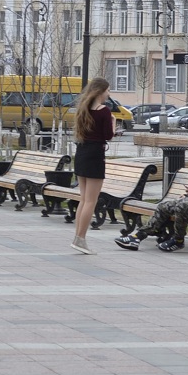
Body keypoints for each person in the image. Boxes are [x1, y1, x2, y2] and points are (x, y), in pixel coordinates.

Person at [70, 77, 114, 255]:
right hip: (95, 155)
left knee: (83, 199)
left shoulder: (83, 109)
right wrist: (113, 122)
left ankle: (77, 237)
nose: (108, 94)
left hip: (81, 152)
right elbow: (108, 135)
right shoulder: (104, 111)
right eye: (108, 90)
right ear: (101, 91)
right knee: (91, 200)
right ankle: (80, 239)